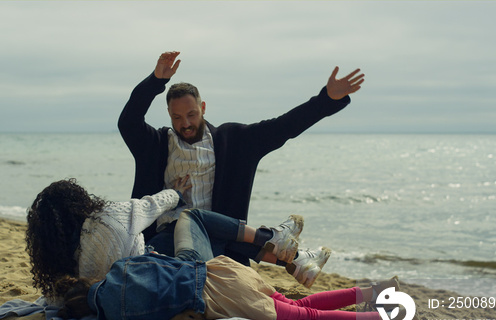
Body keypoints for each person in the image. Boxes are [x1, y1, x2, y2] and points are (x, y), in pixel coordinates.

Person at [117, 51, 364, 286]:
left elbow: (283, 127)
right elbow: (128, 121)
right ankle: (290, 254)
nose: (186, 123)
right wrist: (156, 81)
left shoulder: (233, 140)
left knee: (201, 224)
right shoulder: (156, 145)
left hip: (221, 245)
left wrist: (326, 100)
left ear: (203, 108)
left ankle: (292, 256)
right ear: (169, 114)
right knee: (181, 225)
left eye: (192, 114)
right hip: (167, 240)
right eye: (178, 117)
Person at [53, 208, 394, 320]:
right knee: (303, 306)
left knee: (303, 314)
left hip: (220, 299)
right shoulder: (120, 268)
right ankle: (372, 292)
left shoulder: (114, 318)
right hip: (222, 273)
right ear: (86, 284)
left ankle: (374, 318)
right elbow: (156, 258)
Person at [25, 179, 317, 299]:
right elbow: (153, 204)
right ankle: (274, 239)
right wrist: (176, 193)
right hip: (162, 274)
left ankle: (295, 260)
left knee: (193, 233)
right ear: (80, 202)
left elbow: (54, 302)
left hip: (138, 280)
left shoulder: (62, 273)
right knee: (193, 218)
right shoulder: (107, 218)